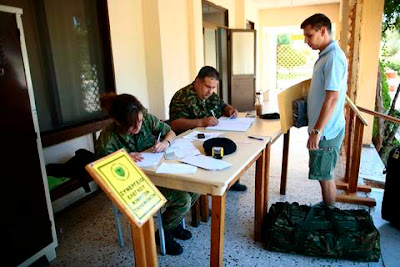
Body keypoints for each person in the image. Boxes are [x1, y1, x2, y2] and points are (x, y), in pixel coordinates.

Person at [95, 93, 199, 255]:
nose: (138, 127)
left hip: (156, 173)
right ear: (118, 122)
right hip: (134, 185)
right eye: (132, 125)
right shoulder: (108, 138)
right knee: (182, 199)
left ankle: (173, 223)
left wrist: (165, 143)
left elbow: (170, 132)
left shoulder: (146, 119)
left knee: (195, 187)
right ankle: (164, 233)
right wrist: (123, 158)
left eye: (140, 121)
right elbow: (102, 170)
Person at [169, 66, 247, 192]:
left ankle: (230, 181)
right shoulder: (181, 97)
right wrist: (201, 122)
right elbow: (175, 124)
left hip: (210, 135)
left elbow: (223, 106)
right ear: (198, 82)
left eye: (213, 88)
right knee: (207, 160)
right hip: (188, 141)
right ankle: (204, 195)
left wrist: (230, 110)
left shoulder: (210, 94)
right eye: (208, 87)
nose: (210, 91)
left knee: (230, 149)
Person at [301, 14, 347, 206]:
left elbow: (332, 97)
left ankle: (330, 213)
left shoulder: (333, 58)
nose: (306, 41)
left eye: (309, 35)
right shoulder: (326, 55)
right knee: (322, 173)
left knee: (325, 175)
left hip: (326, 131)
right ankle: (328, 207)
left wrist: (317, 131)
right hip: (323, 129)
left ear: (323, 31)